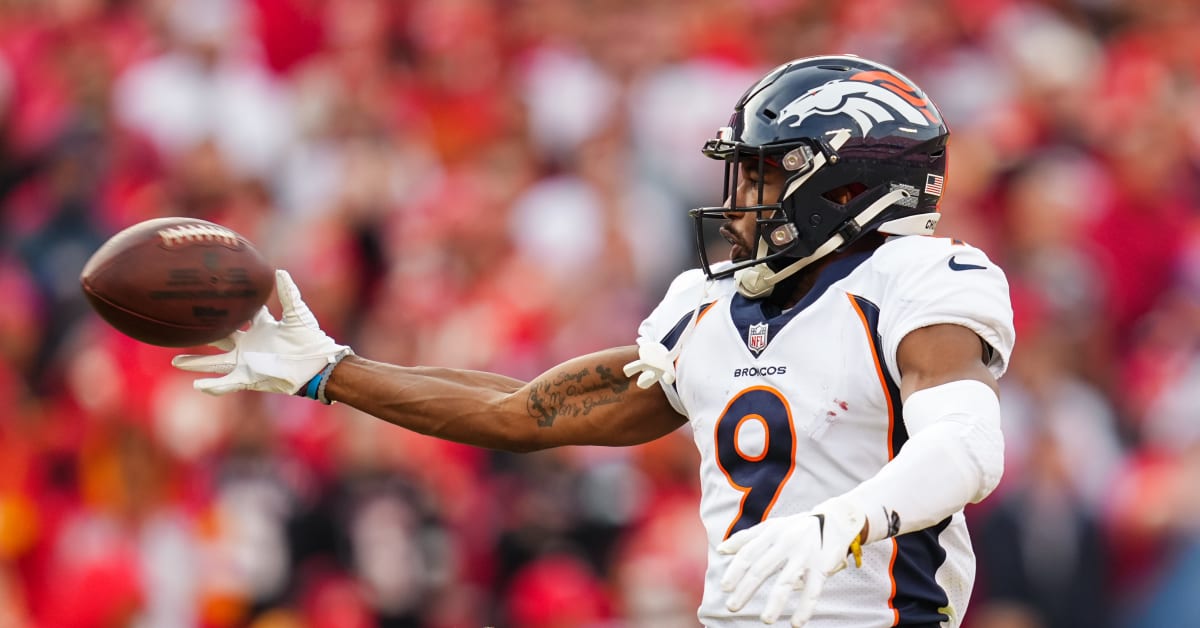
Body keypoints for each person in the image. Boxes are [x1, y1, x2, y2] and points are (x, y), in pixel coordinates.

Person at [173, 55, 1014, 628]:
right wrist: (331, 372)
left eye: (766, 173)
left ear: (850, 184)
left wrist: (846, 521)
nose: (744, 195)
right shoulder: (708, 309)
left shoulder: (922, 279)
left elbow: (967, 445)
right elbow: (523, 412)